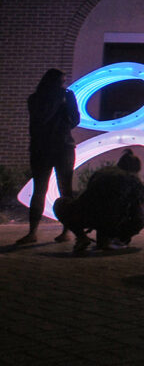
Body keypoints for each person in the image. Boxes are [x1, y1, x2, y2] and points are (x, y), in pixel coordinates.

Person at [16, 68, 79, 245]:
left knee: (41, 189)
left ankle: (33, 232)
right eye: (62, 82)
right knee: (63, 188)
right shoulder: (63, 96)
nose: (63, 85)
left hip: (43, 147)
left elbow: (40, 120)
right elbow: (74, 119)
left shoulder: (36, 98)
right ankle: (66, 231)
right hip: (61, 146)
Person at [53, 148, 144, 254]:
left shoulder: (101, 173)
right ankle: (109, 240)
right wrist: (125, 235)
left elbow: (89, 199)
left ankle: (82, 237)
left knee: (60, 203)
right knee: (125, 217)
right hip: (112, 221)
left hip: (85, 216)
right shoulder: (135, 182)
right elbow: (139, 216)